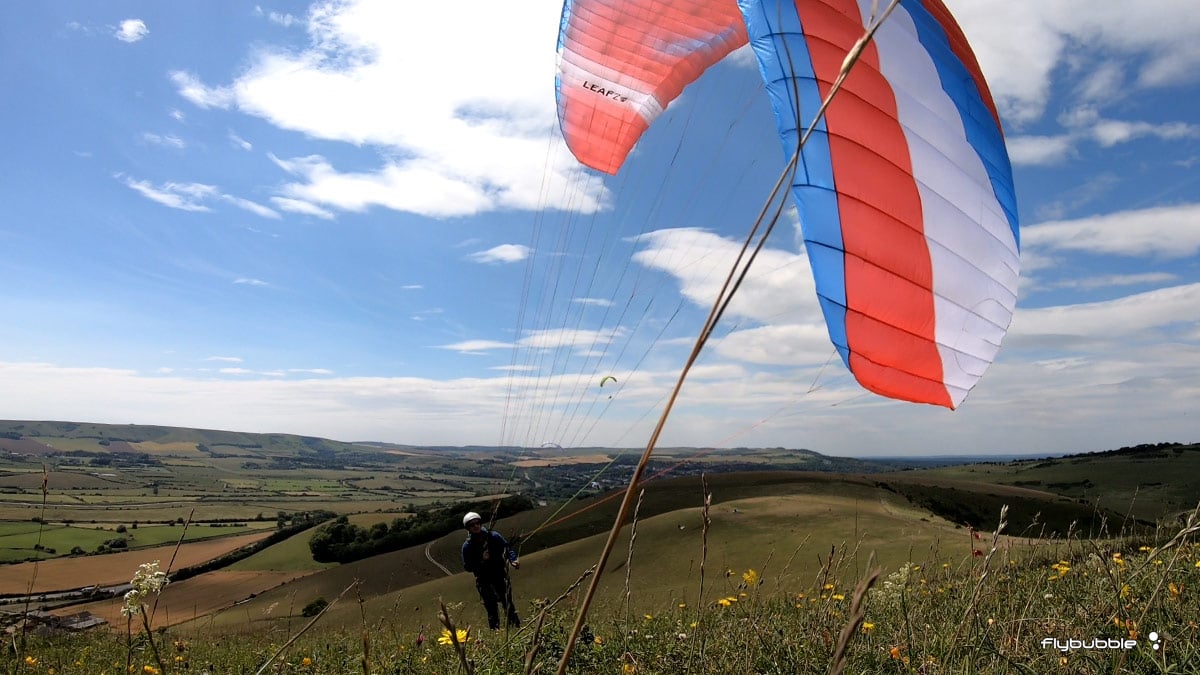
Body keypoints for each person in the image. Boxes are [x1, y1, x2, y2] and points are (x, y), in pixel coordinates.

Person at [460, 511, 521, 629]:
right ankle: (495, 632)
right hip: (483, 579)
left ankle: (516, 627)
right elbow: (467, 566)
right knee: (491, 607)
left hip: (499, 575)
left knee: (508, 604)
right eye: (472, 525)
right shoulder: (467, 546)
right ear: (468, 528)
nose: (476, 526)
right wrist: (481, 560)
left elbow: (506, 548)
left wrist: (513, 560)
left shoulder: (493, 536)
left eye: (478, 523)